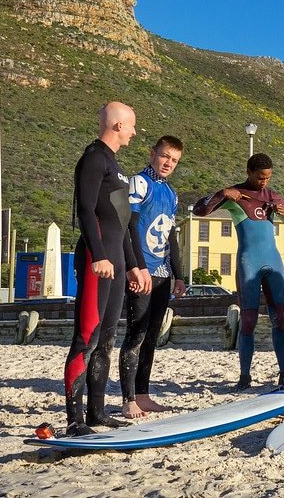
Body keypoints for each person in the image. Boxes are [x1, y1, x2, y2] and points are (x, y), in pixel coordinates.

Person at [63, 102, 151, 437]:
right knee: (87, 336)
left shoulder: (114, 165)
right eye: (131, 125)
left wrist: (133, 267)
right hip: (96, 259)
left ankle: (96, 412)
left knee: (107, 339)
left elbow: (122, 221)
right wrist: (98, 255)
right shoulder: (94, 158)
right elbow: (85, 210)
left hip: (115, 261)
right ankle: (74, 421)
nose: (134, 131)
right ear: (116, 125)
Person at [193, 153, 284, 390]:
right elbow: (199, 210)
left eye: (268, 177)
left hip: (273, 261)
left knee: (281, 319)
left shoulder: (274, 197)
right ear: (250, 172)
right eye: (261, 177)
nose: (264, 181)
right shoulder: (235, 194)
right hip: (249, 262)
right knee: (249, 320)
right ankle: (244, 376)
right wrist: (222, 194)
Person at [119, 136, 187, 418]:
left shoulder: (171, 194)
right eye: (164, 156)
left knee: (151, 335)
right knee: (136, 333)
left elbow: (170, 234)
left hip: (161, 271)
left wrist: (179, 274)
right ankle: (128, 399)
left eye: (174, 160)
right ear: (152, 154)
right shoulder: (139, 182)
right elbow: (129, 224)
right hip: (141, 269)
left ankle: (143, 393)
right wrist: (135, 266)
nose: (168, 163)